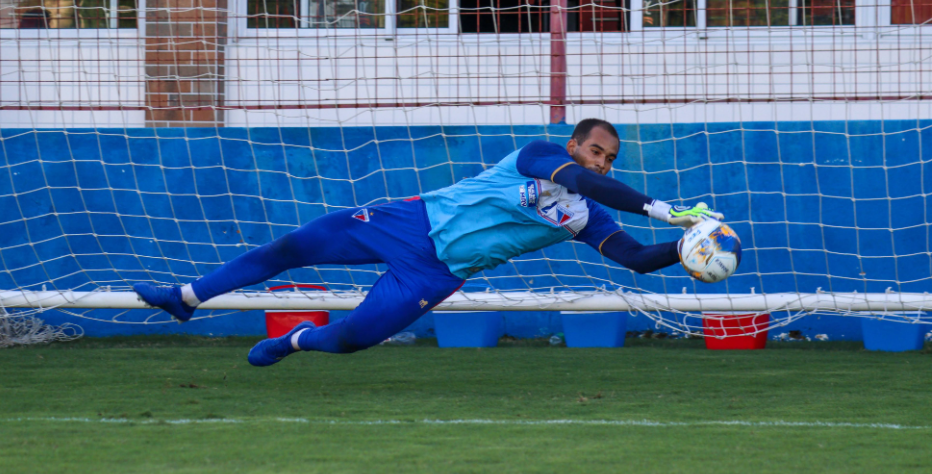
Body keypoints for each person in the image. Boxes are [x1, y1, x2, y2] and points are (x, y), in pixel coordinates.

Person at [133, 119, 723, 366]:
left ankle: (298, 340)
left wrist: (684, 249)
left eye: (612, 158)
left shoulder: (586, 218)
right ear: (573, 146)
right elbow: (586, 182)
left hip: (435, 274)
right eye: (597, 150)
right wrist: (654, 206)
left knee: (353, 340)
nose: (602, 161)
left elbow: (636, 259)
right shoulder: (539, 157)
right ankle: (186, 295)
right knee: (293, 247)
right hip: (409, 221)